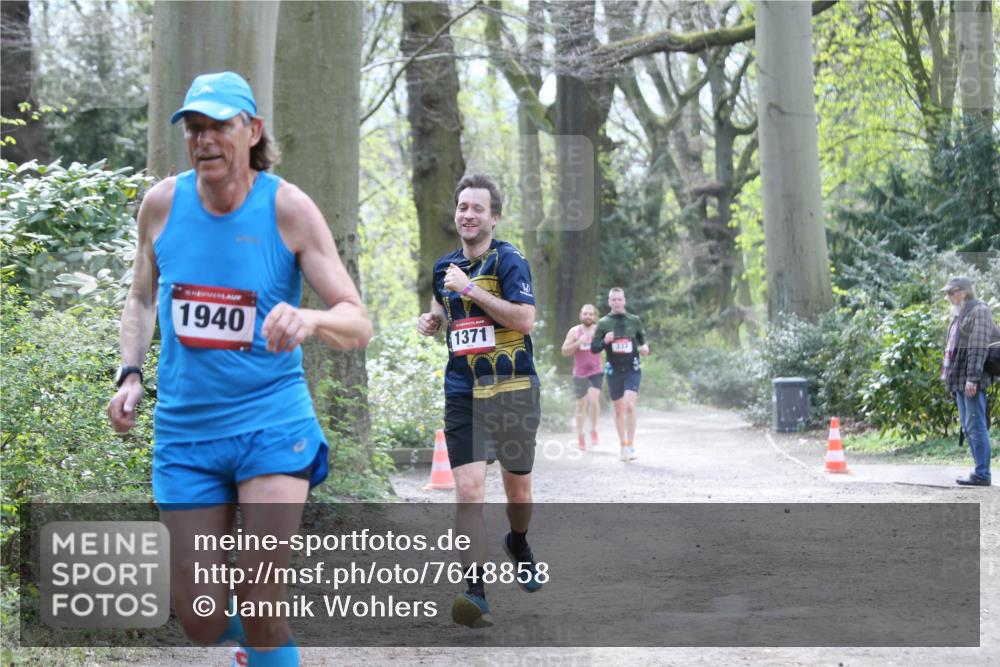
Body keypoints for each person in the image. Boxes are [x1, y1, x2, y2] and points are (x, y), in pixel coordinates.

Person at [106, 71, 372, 667]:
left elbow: (358, 321)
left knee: (260, 597)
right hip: (185, 432)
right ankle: (256, 644)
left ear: (251, 131)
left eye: (218, 126)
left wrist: (310, 319)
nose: (203, 140)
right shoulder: (162, 204)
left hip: (272, 423)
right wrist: (129, 373)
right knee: (199, 621)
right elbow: (143, 297)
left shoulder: (287, 208)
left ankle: (265, 639)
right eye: (194, 128)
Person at [417, 174, 544, 628]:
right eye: (462, 207)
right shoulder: (443, 267)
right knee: (469, 492)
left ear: (494, 216)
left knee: (519, 492)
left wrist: (471, 289)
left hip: (512, 389)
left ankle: (519, 541)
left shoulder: (510, 260)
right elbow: (441, 301)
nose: (467, 215)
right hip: (464, 391)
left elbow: (525, 320)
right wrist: (430, 320)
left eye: (477, 208)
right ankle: (475, 591)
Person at [941, 276, 995, 487]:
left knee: (975, 425)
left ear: (964, 292)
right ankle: (978, 471)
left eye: (951, 292)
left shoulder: (979, 310)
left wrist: (972, 379)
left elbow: (978, 347)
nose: (948, 297)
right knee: (967, 425)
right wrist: (953, 384)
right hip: (961, 381)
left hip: (972, 380)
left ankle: (982, 474)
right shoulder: (961, 313)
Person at [591, 287, 649, 462]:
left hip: (632, 368)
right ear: (609, 302)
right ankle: (623, 445)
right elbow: (594, 348)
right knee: (618, 409)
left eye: (619, 299)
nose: (617, 302)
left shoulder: (634, 320)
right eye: (613, 299)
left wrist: (645, 347)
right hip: (614, 370)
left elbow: (643, 340)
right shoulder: (603, 323)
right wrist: (605, 341)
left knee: (630, 405)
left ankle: (631, 445)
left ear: (624, 301)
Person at [561, 304, 603, 449]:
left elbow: (608, 345)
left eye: (591, 314)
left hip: (596, 371)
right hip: (579, 373)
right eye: (585, 314)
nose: (588, 316)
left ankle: (593, 430)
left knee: (594, 400)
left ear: (595, 317)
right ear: (581, 316)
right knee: (580, 405)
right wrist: (578, 342)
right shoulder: (574, 331)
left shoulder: (599, 330)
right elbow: (564, 351)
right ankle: (580, 435)